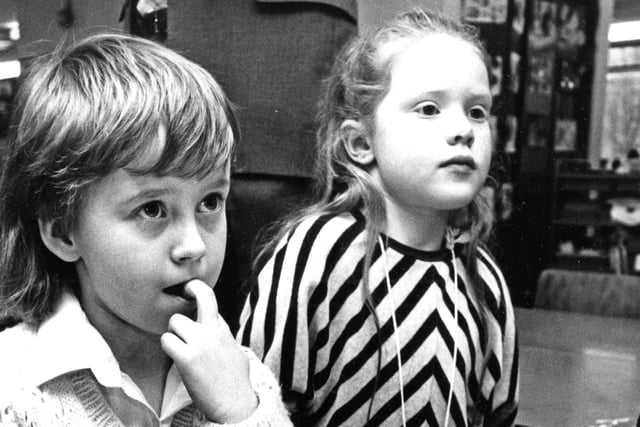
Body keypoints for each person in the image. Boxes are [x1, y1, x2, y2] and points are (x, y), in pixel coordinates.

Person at [237, 8, 519, 426]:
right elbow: (252, 400)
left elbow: (499, 416)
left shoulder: (484, 280)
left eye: (477, 111)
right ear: (360, 142)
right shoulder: (316, 255)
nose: (464, 129)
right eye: (428, 108)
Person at [0, 33, 291, 426]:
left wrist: (243, 413)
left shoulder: (244, 376)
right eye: (152, 209)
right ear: (63, 231)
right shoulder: (12, 386)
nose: (194, 247)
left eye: (210, 202)